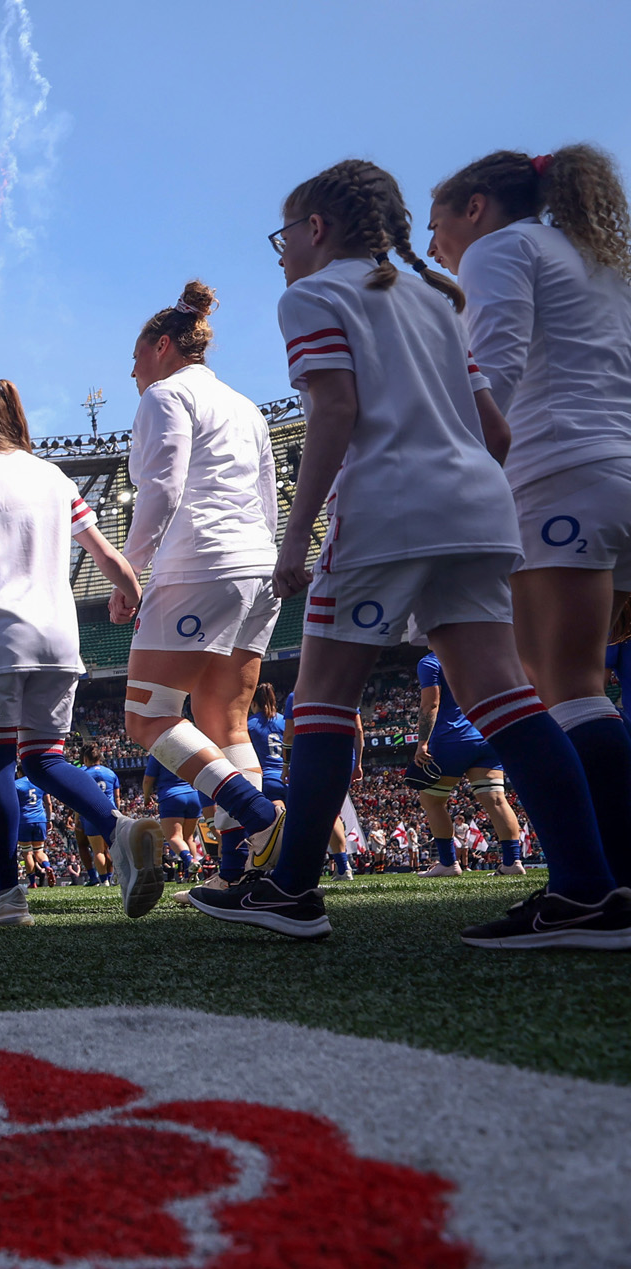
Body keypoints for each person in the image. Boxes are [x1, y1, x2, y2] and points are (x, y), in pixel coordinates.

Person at [190, 158, 625, 947]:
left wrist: (297, 534)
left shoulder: (314, 295)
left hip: (389, 506)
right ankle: (589, 891)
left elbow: (334, 409)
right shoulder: (436, 297)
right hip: (480, 508)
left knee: (322, 696)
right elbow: (495, 430)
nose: (281, 250)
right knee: (508, 697)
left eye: (283, 234)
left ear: (315, 229)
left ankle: (290, 891)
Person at [428, 145, 631, 890]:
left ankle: (599, 888)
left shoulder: (500, 249)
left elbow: (495, 372)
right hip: (612, 470)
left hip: (557, 475)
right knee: (575, 687)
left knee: (569, 689)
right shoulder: (599, 259)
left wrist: (441, 477)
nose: (433, 243)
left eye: (438, 222)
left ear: (475, 208)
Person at [0, 381, 164, 925]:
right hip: (61, 640)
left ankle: (8, 896)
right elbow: (104, 551)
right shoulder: (52, 474)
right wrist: (131, 589)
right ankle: (120, 827)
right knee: (43, 757)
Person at [116, 279, 287, 900]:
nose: (132, 370)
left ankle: (261, 815)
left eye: (136, 356)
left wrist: (130, 572)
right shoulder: (245, 405)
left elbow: (161, 489)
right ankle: (239, 875)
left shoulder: (164, 395)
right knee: (225, 721)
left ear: (163, 346)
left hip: (199, 566)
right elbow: (268, 499)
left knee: (146, 716)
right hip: (256, 567)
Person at [406, 646, 526, 876]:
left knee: (431, 801)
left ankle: (448, 863)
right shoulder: (479, 654)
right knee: (497, 800)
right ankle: (513, 863)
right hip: (487, 733)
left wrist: (422, 742)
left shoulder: (431, 662)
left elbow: (431, 704)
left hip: (451, 739)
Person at [144, 755, 203, 882]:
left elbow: (147, 781)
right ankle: (191, 875)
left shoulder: (157, 753)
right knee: (189, 838)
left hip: (171, 796)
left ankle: (190, 861)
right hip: (193, 795)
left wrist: (146, 797)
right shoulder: (186, 749)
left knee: (174, 837)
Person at [77, 743, 123, 886]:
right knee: (112, 848)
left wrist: (77, 818)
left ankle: (103, 880)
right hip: (110, 813)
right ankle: (115, 876)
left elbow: (79, 797)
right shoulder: (110, 773)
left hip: (91, 814)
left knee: (98, 851)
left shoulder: (83, 774)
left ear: (86, 759)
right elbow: (117, 798)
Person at [248, 684, 289, 801]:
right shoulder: (285, 722)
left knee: (278, 817)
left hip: (267, 780)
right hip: (289, 777)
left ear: (254, 703)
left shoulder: (249, 725)